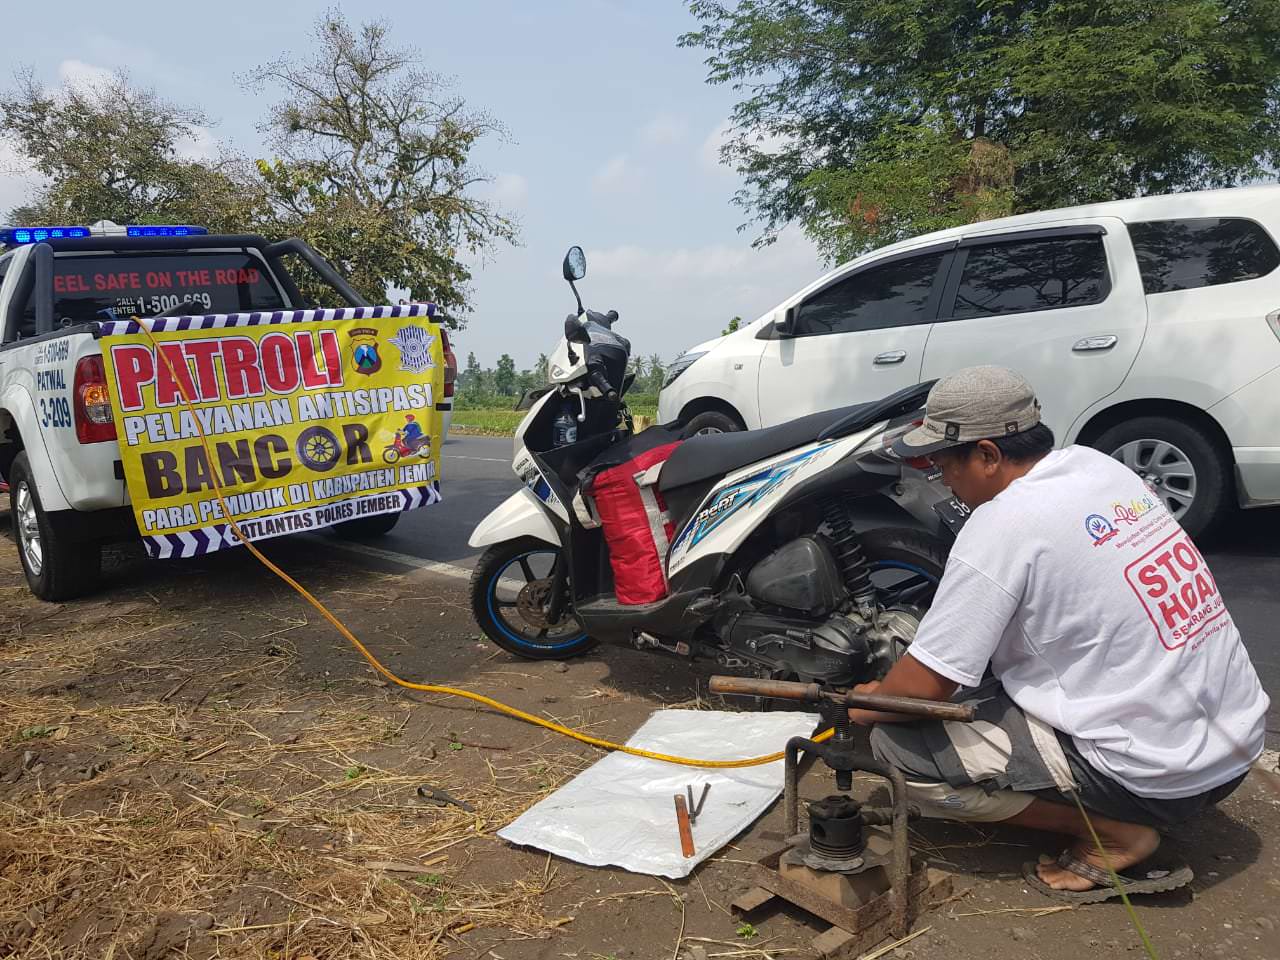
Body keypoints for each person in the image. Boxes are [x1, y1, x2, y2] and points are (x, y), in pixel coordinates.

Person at [853, 366, 1269, 902]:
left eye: (941, 462)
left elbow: (928, 688)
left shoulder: (1002, 523)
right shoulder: (1098, 467)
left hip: (1159, 776)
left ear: (986, 455)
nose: (939, 477)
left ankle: (1112, 835)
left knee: (897, 747)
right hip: (1235, 748)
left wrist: (867, 703)